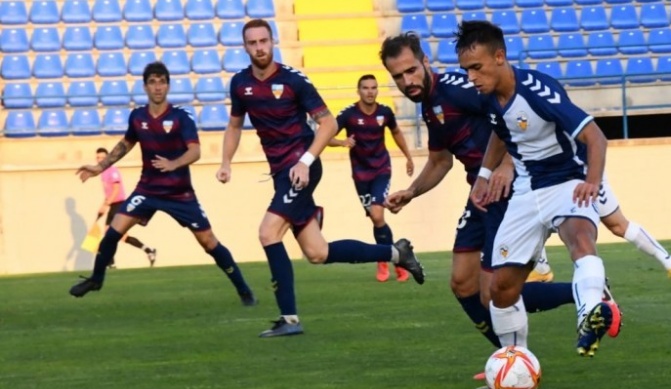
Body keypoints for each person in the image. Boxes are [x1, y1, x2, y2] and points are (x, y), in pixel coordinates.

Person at [217, 19, 425, 338]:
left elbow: (327, 124)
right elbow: (234, 126)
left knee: (268, 232)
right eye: (252, 43)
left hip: (303, 168)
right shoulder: (240, 84)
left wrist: (305, 160)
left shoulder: (293, 80)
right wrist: (226, 162)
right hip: (280, 174)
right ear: (245, 47)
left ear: (272, 42)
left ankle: (289, 319)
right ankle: (396, 254)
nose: (259, 47)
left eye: (263, 41)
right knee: (318, 252)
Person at [380, 33, 582, 359]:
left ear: (425, 62)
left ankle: (583, 292)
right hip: (480, 195)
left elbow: (512, 112)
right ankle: (509, 359)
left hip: (509, 191)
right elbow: (440, 160)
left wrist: (505, 164)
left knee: (493, 294)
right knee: (462, 283)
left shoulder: (458, 89)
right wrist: (412, 192)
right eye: (399, 76)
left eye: (411, 70)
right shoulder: (431, 108)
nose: (408, 81)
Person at [456, 21, 620, 357]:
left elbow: (596, 138)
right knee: (500, 289)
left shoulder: (537, 90)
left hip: (567, 180)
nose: (471, 77)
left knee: (579, 239)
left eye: (476, 67)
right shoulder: (487, 99)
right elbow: (501, 133)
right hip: (526, 190)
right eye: (466, 70)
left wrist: (592, 181)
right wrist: (484, 175)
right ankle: (516, 363)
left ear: (499, 57)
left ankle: (590, 309)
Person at [69, 62, 256, 308]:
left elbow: (196, 151)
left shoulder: (180, 116)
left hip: (180, 193)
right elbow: (125, 144)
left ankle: (243, 289)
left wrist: (173, 163)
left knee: (209, 242)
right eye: (153, 82)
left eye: (162, 81)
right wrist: (100, 167)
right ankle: (96, 279)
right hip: (147, 190)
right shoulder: (138, 117)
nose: (158, 87)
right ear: (145, 86)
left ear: (168, 85)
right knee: (112, 232)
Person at [329, 74, 415, 282]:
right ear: (358, 91)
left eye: (374, 87)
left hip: (381, 170)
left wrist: (408, 156)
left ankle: (386, 261)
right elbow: (325, 136)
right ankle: (394, 256)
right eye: (366, 88)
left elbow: (396, 133)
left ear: (377, 90)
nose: (370, 91)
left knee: (377, 215)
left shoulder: (385, 112)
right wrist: (342, 142)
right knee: (377, 221)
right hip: (360, 175)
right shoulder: (349, 114)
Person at [526, 184, 671, 293]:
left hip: (583, 175)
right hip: (557, 176)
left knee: (618, 225)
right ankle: (541, 269)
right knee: (535, 216)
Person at [94, 147, 158, 268]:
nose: (100, 160)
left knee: (110, 234)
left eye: (102, 157)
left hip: (118, 205)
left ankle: (111, 263)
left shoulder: (112, 170)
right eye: (98, 158)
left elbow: (116, 189)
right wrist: (103, 205)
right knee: (121, 237)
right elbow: (109, 193)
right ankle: (149, 251)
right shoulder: (103, 173)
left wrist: (106, 205)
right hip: (113, 205)